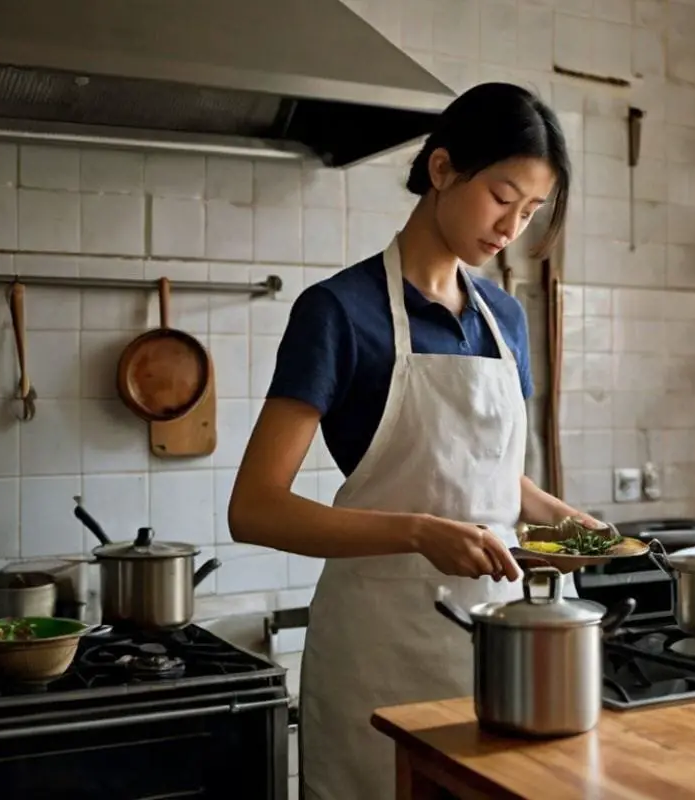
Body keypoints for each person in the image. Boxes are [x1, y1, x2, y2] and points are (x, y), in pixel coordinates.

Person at [228, 82, 603, 800]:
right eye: (502, 196)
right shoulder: (338, 313)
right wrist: (418, 532)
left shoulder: (504, 318)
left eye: (529, 212)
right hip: (378, 656)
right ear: (441, 170)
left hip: (498, 652)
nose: (510, 228)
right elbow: (254, 508)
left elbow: (488, 481)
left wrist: (569, 524)